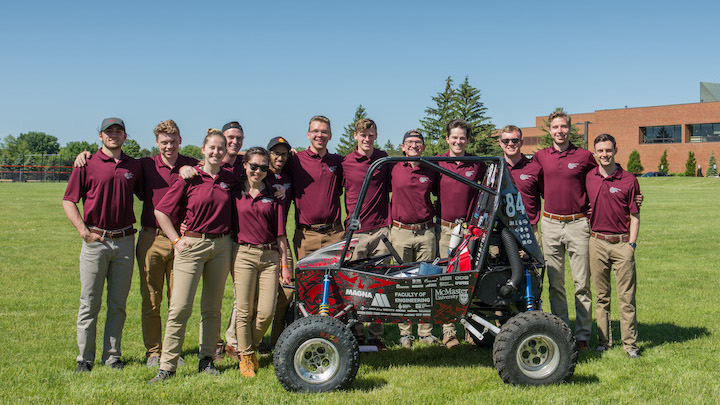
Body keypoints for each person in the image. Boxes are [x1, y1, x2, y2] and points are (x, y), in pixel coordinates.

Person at [149, 129, 235, 383]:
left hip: (221, 247)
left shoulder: (230, 179)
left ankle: (206, 359)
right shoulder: (189, 176)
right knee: (180, 307)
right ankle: (167, 365)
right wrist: (176, 240)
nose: (217, 152)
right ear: (203, 149)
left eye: (221, 148)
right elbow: (161, 211)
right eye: (212, 148)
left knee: (212, 308)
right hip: (192, 245)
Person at [62, 117, 142, 372]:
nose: (114, 135)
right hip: (96, 240)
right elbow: (68, 200)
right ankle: (84, 358)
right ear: (100, 136)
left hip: (125, 241)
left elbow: (155, 192)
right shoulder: (87, 163)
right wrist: (83, 232)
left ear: (125, 137)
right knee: (90, 302)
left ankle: (113, 356)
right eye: (109, 131)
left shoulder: (134, 166)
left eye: (118, 131)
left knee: (118, 304)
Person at [533, 111, 597, 350]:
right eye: (555, 127)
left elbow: (598, 179)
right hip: (550, 224)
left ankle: (582, 336)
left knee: (582, 283)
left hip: (578, 224)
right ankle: (562, 332)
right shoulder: (541, 156)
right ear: (550, 130)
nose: (559, 131)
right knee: (555, 283)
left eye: (563, 127)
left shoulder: (584, 156)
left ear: (571, 129)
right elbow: (533, 185)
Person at [136, 121, 198, 366]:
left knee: (178, 301)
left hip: (182, 242)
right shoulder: (146, 166)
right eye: (164, 142)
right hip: (151, 238)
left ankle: (173, 351)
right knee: (151, 298)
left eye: (173, 141)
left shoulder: (192, 165)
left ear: (180, 140)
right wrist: (84, 156)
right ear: (156, 143)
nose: (169, 146)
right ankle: (153, 351)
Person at [231, 147, 291, 377]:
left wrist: (285, 266)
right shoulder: (234, 192)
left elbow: (281, 236)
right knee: (245, 310)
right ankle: (246, 357)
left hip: (269, 256)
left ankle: (251, 347)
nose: (258, 171)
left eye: (263, 167)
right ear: (244, 165)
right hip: (243, 254)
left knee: (266, 311)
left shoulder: (274, 196)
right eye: (253, 166)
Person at [586, 134, 641, 358]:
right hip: (596, 242)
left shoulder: (628, 179)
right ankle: (604, 341)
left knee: (627, 298)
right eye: (600, 151)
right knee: (601, 297)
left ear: (615, 150)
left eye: (608, 150)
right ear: (595, 152)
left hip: (621, 244)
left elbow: (635, 215)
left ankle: (630, 345)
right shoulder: (589, 177)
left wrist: (632, 244)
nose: (604, 155)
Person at [435, 119, 487, 348]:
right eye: (454, 137)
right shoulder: (437, 163)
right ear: (447, 139)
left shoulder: (477, 164)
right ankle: (448, 332)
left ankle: (471, 329)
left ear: (467, 140)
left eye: (462, 138)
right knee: (446, 278)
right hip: (445, 228)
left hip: (469, 229)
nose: (458, 141)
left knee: (470, 279)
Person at [342, 118, 391, 348]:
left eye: (371, 135)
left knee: (379, 284)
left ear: (376, 136)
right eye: (363, 135)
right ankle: (356, 332)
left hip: (381, 230)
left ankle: (376, 335)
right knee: (356, 285)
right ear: (355, 137)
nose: (367, 139)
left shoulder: (384, 160)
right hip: (357, 233)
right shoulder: (346, 163)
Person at [391, 129, 439, 348]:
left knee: (426, 281)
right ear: (402, 146)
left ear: (424, 147)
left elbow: (442, 194)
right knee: (402, 282)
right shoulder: (392, 167)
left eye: (418, 142)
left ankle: (425, 331)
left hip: (426, 232)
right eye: (409, 142)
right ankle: (404, 332)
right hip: (400, 232)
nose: (414, 145)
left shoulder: (431, 169)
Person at [286, 115, 344, 259]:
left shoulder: (338, 161)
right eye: (315, 131)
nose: (320, 135)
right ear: (308, 135)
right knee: (308, 280)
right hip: (307, 236)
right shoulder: (295, 160)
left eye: (324, 132)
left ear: (330, 136)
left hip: (334, 234)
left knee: (336, 281)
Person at [261, 136, 295, 353]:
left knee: (287, 292)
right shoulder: (260, 174)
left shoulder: (290, 176)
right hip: (260, 241)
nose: (280, 158)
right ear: (268, 154)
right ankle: (250, 341)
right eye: (275, 153)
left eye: (283, 154)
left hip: (282, 241)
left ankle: (276, 341)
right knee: (258, 296)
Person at [498, 125, 543, 243]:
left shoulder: (535, 168)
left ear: (521, 142)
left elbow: (548, 197)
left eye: (515, 140)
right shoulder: (495, 169)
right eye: (506, 141)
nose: (510, 144)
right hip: (501, 231)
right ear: (500, 143)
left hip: (528, 230)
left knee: (532, 262)